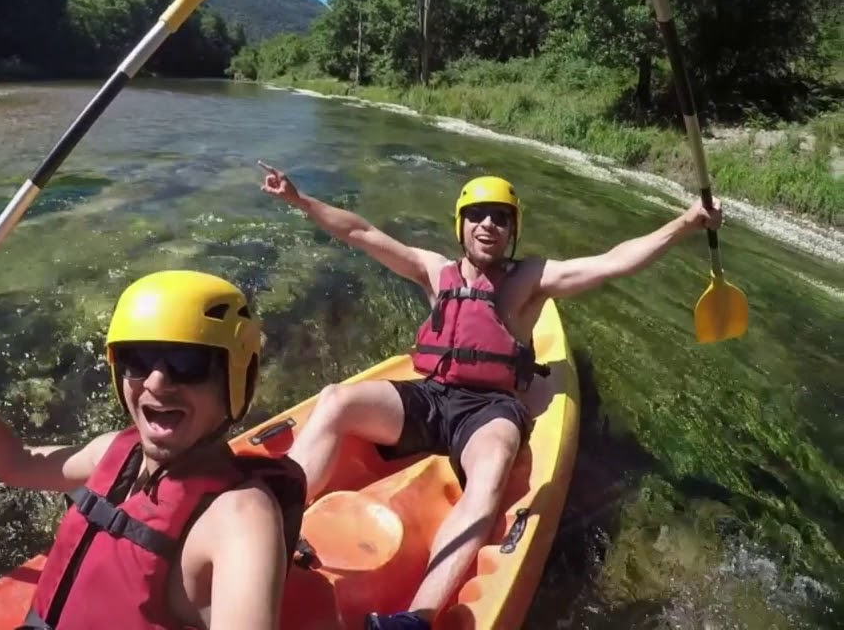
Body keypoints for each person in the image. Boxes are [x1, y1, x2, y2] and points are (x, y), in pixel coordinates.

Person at [256, 161, 722, 630]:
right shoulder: (433, 270)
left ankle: (414, 618)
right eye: (477, 214)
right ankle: (275, 525)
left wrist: (684, 223)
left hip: (490, 408)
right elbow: (360, 231)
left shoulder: (530, 281)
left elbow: (613, 262)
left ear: (512, 229)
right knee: (337, 398)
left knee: (495, 462)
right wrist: (301, 201)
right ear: (460, 223)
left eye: (500, 217)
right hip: (432, 394)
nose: (487, 225)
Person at [0, 269, 308, 630]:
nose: (156, 384)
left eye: (189, 364)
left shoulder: (240, 519)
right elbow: (16, 463)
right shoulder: (116, 452)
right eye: (137, 359)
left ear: (236, 379)